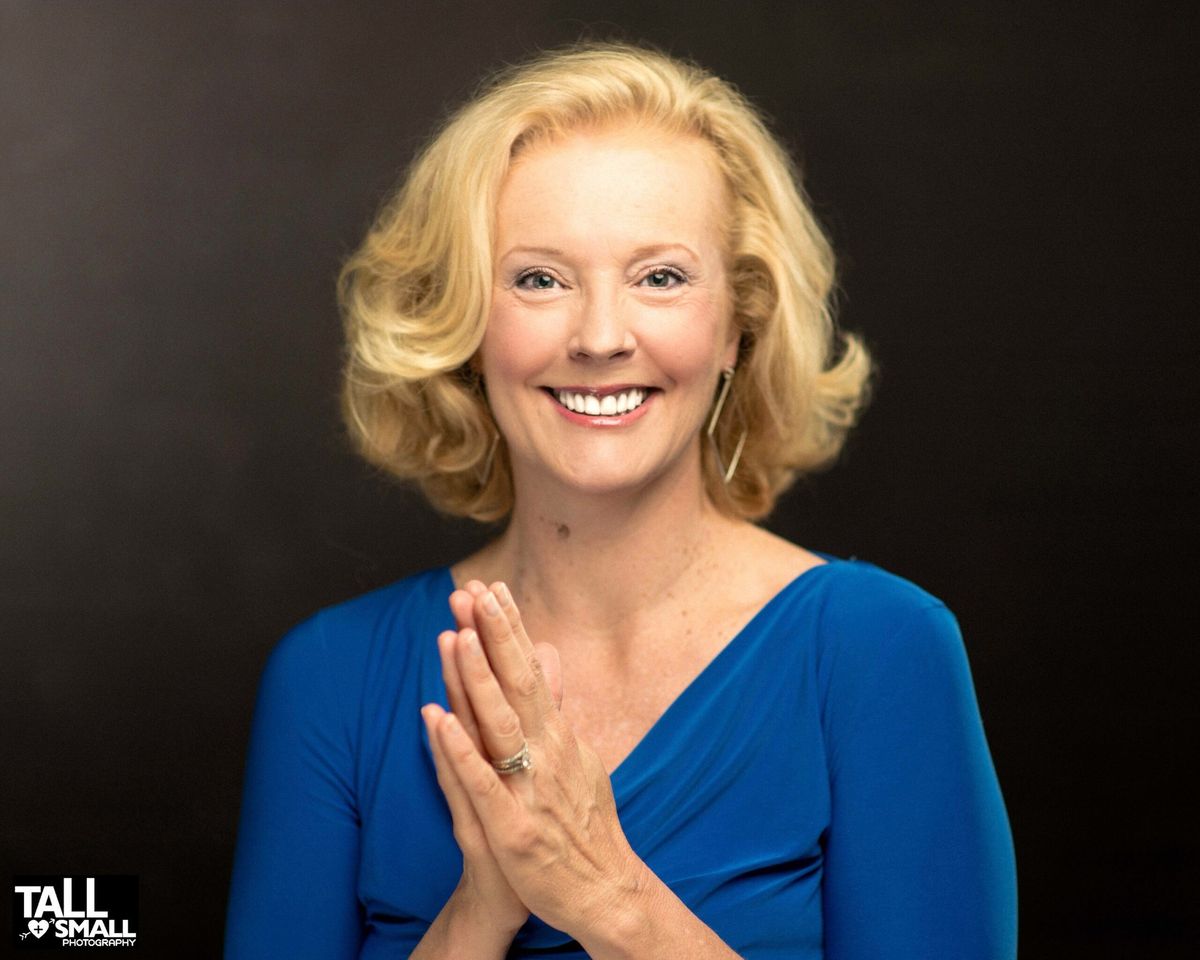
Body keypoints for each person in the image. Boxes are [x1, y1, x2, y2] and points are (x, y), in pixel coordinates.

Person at [224, 41, 1017, 960]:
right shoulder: (329, 679)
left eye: (661, 277)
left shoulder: (883, 649)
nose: (600, 336)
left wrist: (607, 894)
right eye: (539, 279)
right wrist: (484, 906)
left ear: (739, 327)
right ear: (466, 328)